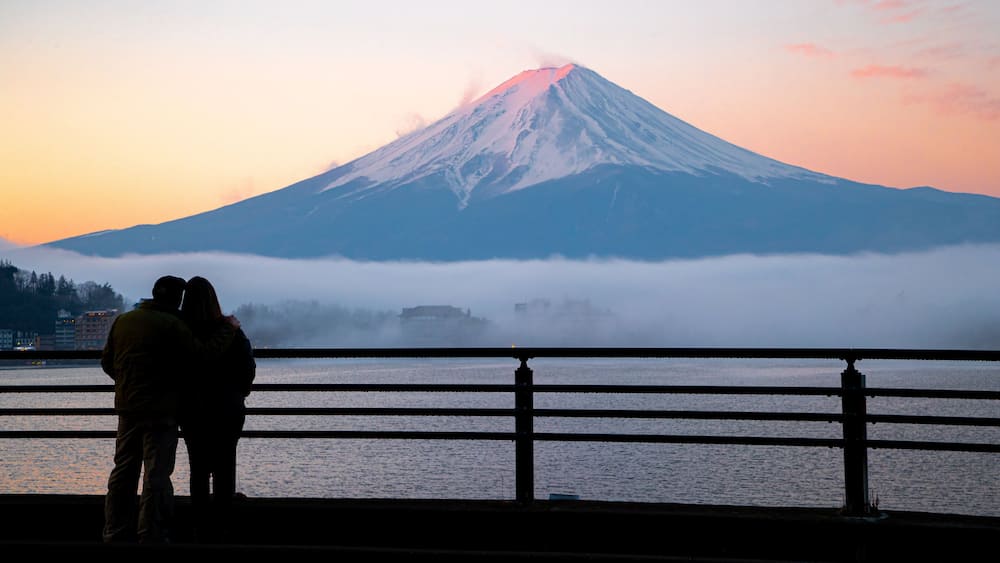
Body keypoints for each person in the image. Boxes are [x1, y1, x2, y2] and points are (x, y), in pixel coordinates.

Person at [101, 275, 238, 544]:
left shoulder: (124, 321)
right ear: (177, 299)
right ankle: (151, 533)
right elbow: (203, 355)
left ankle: (115, 531)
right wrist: (228, 329)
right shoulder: (172, 325)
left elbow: (107, 362)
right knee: (156, 474)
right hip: (161, 410)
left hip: (128, 408)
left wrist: (128, 382)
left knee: (123, 471)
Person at [178, 276, 256, 542]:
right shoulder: (232, 331)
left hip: (193, 409)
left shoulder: (181, 332)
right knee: (225, 466)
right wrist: (238, 394)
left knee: (198, 467)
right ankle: (223, 526)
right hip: (228, 409)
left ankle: (200, 525)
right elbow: (248, 368)